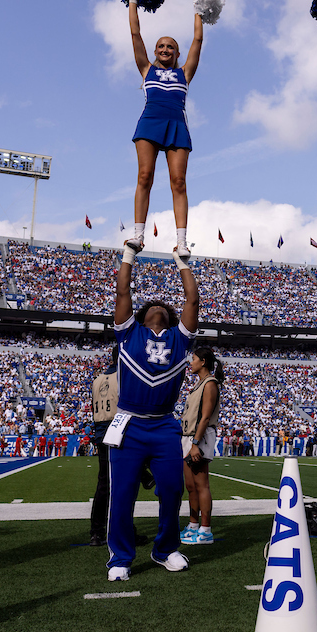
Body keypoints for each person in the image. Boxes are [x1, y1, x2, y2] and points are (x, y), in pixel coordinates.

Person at [105, 245, 199, 582]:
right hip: (129, 422)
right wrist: (129, 256)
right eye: (151, 306)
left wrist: (182, 262)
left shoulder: (179, 339)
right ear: (142, 317)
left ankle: (165, 548)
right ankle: (120, 558)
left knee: (173, 488)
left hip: (164, 425)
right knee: (124, 493)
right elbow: (122, 291)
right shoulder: (128, 333)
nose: (158, 306)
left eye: (163, 307)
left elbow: (192, 301)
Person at [123, 0, 203, 259]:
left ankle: (181, 241)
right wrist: (132, 0)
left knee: (178, 181)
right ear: (155, 51)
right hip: (150, 122)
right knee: (144, 176)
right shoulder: (147, 69)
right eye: (161, 46)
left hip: (177, 125)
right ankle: (138, 235)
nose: (165, 49)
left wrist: (199, 9)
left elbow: (197, 40)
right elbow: (135, 33)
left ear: (177, 54)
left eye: (171, 46)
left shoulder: (185, 73)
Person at [180, 346, 223, 545]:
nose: (191, 362)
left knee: (201, 484)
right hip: (189, 436)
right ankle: (193, 525)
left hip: (200, 437)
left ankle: (206, 530)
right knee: (190, 486)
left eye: (194, 358)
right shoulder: (199, 384)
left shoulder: (210, 384)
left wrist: (195, 443)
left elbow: (205, 417)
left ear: (203, 361)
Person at [88, 347, 119, 547]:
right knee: (119, 486)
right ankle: (107, 531)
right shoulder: (123, 377)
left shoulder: (97, 380)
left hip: (102, 432)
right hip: (119, 431)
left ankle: (98, 531)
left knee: (104, 485)